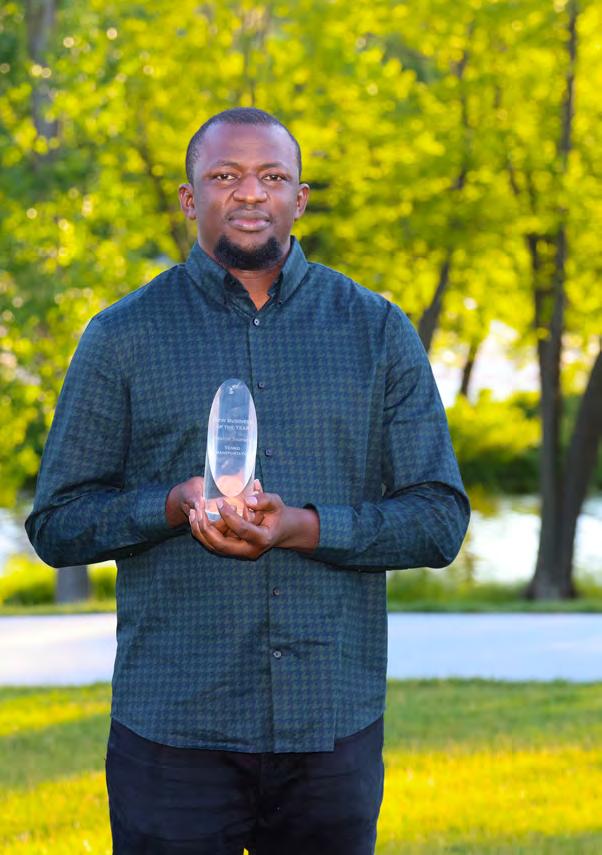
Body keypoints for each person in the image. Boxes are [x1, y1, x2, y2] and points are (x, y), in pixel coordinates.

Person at [26, 107, 470, 855]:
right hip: (173, 731)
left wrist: (303, 527)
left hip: (330, 726)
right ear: (189, 198)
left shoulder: (377, 331)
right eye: (225, 175)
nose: (251, 193)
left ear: (300, 198)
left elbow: (438, 519)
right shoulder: (122, 336)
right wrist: (172, 505)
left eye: (272, 176)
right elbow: (57, 523)